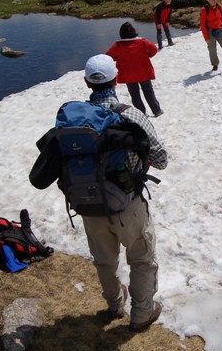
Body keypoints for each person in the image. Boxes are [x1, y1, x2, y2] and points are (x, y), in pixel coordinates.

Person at [30, 54, 168, 332]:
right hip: (128, 202)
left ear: (86, 82)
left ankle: (115, 305)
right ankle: (142, 314)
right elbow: (161, 158)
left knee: (104, 260)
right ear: (116, 80)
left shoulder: (73, 120)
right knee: (141, 258)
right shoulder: (129, 114)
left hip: (87, 205)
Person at [106, 22, 164, 117]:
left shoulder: (118, 45)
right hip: (143, 71)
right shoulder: (142, 42)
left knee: (134, 94)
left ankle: (141, 113)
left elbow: (108, 56)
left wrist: (117, 58)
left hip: (128, 75)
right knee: (148, 91)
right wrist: (148, 55)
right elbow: (153, 48)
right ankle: (156, 110)